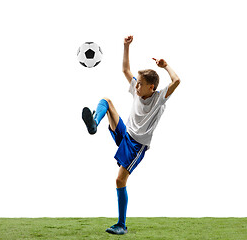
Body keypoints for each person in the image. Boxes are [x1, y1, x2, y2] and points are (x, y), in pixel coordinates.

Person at [82, 35, 181, 235]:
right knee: (106, 101)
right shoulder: (138, 90)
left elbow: (177, 80)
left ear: (151, 87)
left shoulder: (159, 99)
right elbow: (126, 70)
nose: (136, 86)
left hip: (137, 146)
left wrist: (166, 65)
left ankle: (121, 225)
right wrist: (126, 46)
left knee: (120, 181)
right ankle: (94, 125)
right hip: (126, 134)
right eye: (136, 84)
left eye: (140, 84)